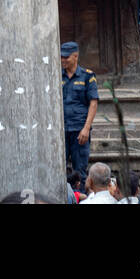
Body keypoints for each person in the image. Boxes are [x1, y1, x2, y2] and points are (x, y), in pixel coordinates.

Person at [61, 41, 98, 182]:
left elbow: (93, 103)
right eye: (62, 57)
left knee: (80, 172)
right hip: (62, 131)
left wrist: (86, 128)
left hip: (79, 131)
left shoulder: (87, 76)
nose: (63, 60)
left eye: (66, 57)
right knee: (58, 169)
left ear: (75, 56)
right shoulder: (57, 76)